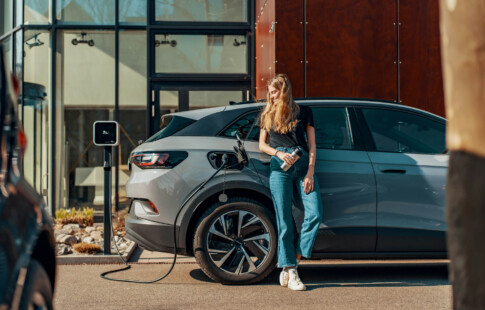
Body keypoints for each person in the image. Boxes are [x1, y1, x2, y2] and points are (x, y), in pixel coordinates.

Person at [259, 74, 323, 291]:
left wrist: (310, 173)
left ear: (284, 90)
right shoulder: (267, 113)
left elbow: (312, 145)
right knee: (284, 219)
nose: (271, 96)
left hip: (303, 165)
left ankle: (292, 262)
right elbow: (262, 145)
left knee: (315, 213)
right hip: (280, 168)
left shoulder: (304, 111)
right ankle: (290, 269)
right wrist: (277, 153)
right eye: (270, 92)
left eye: (274, 92)